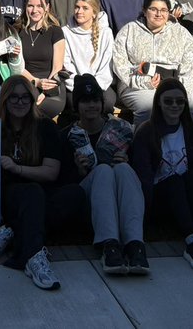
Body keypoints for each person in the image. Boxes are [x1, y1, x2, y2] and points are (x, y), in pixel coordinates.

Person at [0, 75, 77, 290]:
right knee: (32, 192)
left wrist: (17, 168)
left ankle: (12, 230)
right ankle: (33, 256)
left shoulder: (45, 127)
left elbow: (51, 173)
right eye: (13, 97)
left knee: (74, 194)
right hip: (9, 196)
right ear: (4, 100)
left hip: (40, 193)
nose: (20, 102)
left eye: (25, 97)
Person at [129, 79, 193, 270]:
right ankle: (192, 241)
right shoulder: (146, 133)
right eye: (168, 101)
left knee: (191, 178)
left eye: (180, 101)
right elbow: (144, 176)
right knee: (174, 181)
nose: (175, 106)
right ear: (158, 102)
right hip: (160, 198)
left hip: (190, 197)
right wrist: (145, 216)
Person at [63, 74, 149, 276]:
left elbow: (139, 172)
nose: (91, 106)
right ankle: (109, 245)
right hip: (87, 203)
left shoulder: (123, 129)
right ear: (77, 105)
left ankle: (134, 244)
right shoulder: (67, 135)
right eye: (85, 101)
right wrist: (80, 171)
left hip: (119, 200)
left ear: (102, 104)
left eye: (95, 101)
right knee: (102, 170)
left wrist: (128, 161)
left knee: (123, 169)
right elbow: (64, 184)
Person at [112, 0, 193, 122]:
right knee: (148, 109)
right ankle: (145, 141)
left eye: (164, 10)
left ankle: (186, 142)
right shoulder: (129, 31)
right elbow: (120, 64)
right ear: (144, 10)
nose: (159, 14)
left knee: (188, 111)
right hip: (137, 85)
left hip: (176, 83)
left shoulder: (180, 33)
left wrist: (179, 86)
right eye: (153, 9)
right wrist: (145, 82)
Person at [15, 0, 67, 120]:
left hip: (51, 82)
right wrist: (36, 83)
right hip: (25, 81)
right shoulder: (17, 31)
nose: (34, 10)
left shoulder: (55, 31)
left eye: (39, 6)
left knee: (45, 107)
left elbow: (57, 67)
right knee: (24, 107)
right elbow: (16, 65)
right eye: (30, 6)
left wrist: (46, 91)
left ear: (47, 7)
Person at [62, 0, 116, 114]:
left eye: (85, 8)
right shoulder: (65, 32)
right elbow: (66, 65)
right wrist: (79, 86)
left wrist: (94, 87)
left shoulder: (106, 33)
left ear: (94, 12)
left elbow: (107, 65)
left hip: (100, 85)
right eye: (77, 7)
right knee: (75, 103)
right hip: (75, 85)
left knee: (107, 102)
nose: (79, 11)